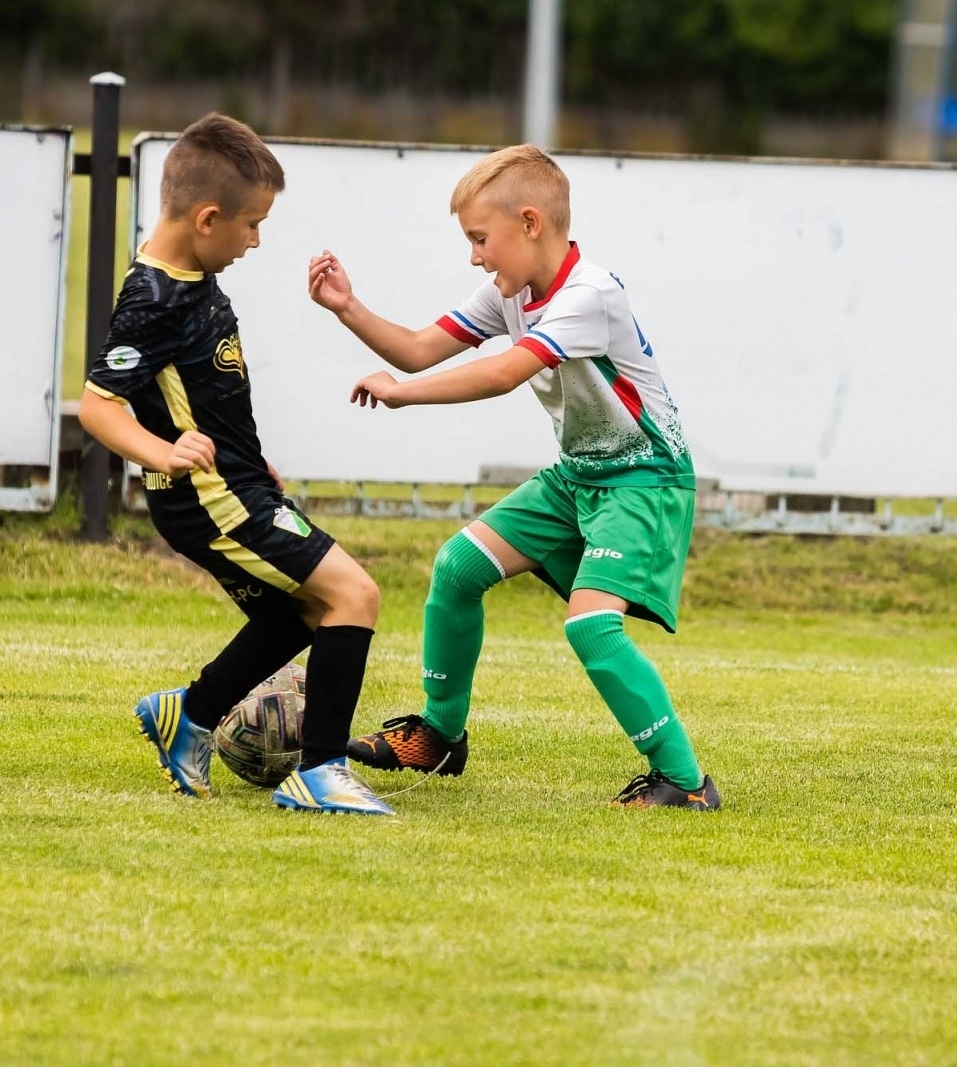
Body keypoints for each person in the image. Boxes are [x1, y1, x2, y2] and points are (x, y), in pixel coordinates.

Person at [307, 145, 720, 809]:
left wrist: (402, 396)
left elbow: (503, 373)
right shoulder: (512, 292)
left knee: (591, 626)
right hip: (578, 476)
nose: (475, 257)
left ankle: (686, 782)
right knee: (458, 567)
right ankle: (440, 737)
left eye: (480, 239)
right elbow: (417, 349)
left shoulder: (590, 295)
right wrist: (347, 307)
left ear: (529, 223)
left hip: (644, 481)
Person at [79, 112, 393, 816]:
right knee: (354, 595)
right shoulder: (153, 298)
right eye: (252, 225)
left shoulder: (190, 272)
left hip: (238, 484)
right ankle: (321, 772)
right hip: (212, 499)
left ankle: (189, 715)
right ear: (207, 218)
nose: (255, 241)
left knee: (299, 612)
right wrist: (164, 452)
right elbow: (98, 407)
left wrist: (253, 458)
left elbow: (198, 392)